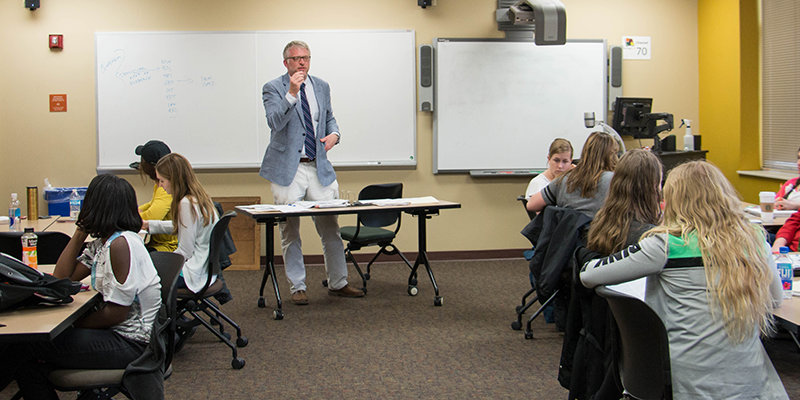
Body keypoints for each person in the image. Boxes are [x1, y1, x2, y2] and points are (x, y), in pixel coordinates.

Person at [579, 161, 788, 399]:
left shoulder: (667, 245)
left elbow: (588, 275)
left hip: (689, 378)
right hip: (748, 380)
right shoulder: (755, 240)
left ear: (674, 200)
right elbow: (774, 300)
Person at [0, 175, 162, 399]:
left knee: (26, 348)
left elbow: (116, 313)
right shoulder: (104, 243)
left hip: (132, 343)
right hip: (118, 335)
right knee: (29, 360)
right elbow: (62, 278)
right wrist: (79, 234)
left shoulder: (122, 245)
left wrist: (73, 326)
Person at [259, 39, 363, 305]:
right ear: (286, 63)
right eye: (296, 58)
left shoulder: (321, 86)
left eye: (306, 57)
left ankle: (338, 283)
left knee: (331, 227)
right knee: (290, 230)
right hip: (288, 171)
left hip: (318, 167)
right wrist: (292, 93)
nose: (302, 62)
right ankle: (298, 287)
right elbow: (274, 122)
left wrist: (335, 135)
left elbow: (328, 117)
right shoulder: (273, 88)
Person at [561, 149, 663, 399]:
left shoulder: (601, 225)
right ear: (653, 187)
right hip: (636, 347)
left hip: (599, 342)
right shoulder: (650, 240)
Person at [143, 153, 218, 294]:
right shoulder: (198, 198)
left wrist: (162, 263)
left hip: (192, 273)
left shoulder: (186, 204)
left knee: (143, 273)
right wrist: (149, 225)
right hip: (204, 269)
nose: (160, 186)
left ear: (174, 180)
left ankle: (160, 315)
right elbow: (185, 226)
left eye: (162, 181)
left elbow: (185, 252)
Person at [526, 131, 618, 216]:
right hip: (599, 232)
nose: (560, 166)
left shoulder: (564, 179)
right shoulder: (615, 180)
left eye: (565, 161)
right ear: (611, 155)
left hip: (570, 232)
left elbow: (531, 205)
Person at [131, 140, 177, 252]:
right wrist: (135, 211)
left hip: (168, 247)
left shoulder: (166, 189)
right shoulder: (162, 184)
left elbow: (152, 216)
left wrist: (129, 218)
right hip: (159, 242)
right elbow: (152, 204)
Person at [775, 146, 800, 210]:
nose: (798, 163)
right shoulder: (791, 183)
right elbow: (775, 204)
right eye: (799, 158)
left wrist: (795, 206)